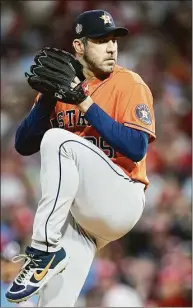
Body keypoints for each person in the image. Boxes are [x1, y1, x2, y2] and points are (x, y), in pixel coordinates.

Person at [6, 9, 156, 307]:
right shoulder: (64, 86)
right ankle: (48, 254)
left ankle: (42, 250)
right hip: (82, 221)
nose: (111, 47)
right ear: (79, 45)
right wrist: (48, 98)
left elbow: (137, 147)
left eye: (114, 39)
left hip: (122, 195)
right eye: (101, 40)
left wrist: (83, 101)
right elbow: (23, 145)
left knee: (59, 140)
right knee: (51, 303)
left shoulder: (129, 83)